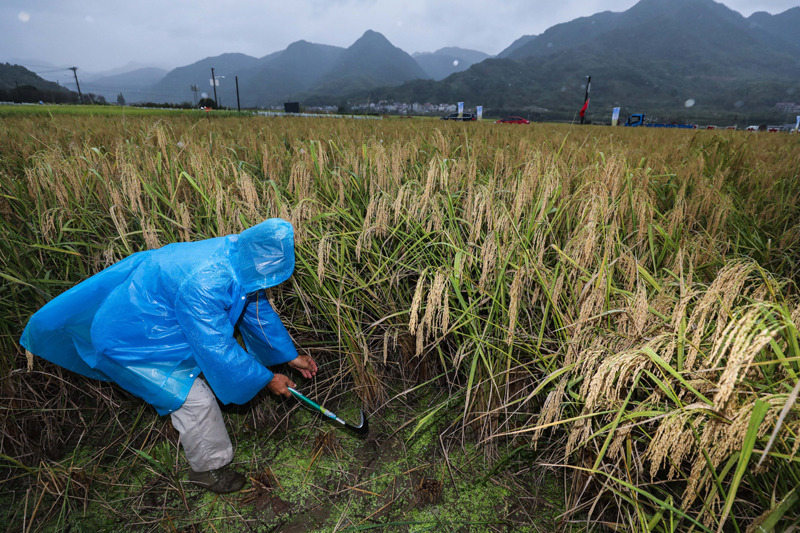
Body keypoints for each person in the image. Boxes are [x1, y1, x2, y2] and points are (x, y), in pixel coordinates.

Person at [20, 218, 316, 494]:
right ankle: (207, 471)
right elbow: (216, 348)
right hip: (130, 339)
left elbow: (255, 307)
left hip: (162, 326)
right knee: (193, 399)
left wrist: (289, 357)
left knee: (201, 374)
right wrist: (268, 379)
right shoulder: (205, 282)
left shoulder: (239, 255)